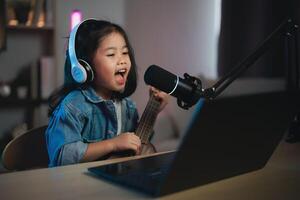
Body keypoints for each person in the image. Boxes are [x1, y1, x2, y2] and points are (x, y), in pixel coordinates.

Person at [45, 19, 169, 167]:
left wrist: (153, 111)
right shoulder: (74, 106)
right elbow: (62, 156)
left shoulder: (127, 105)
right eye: (111, 54)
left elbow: (137, 146)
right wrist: (113, 144)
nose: (122, 60)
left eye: (125, 52)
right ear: (85, 66)